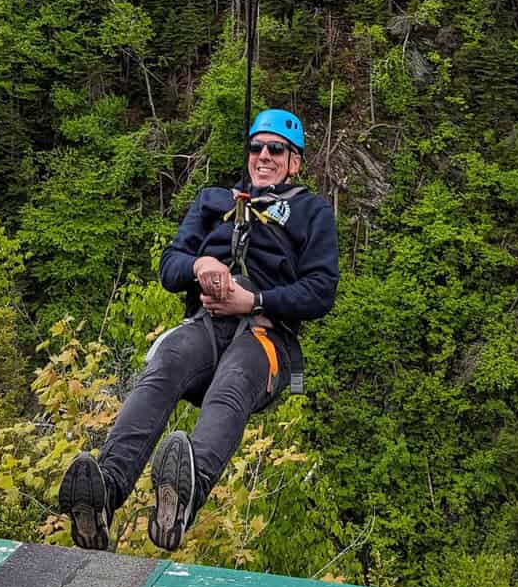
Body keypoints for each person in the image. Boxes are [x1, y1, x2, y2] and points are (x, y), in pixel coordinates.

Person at [57, 109, 339, 552]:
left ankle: (183, 500)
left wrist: (255, 300)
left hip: (265, 335)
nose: (263, 156)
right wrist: (200, 265)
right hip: (206, 327)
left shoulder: (311, 212)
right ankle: (104, 495)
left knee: (234, 383)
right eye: (256, 148)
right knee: (165, 366)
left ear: (295, 161)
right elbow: (169, 267)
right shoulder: (214, 201)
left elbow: (321, 291)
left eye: (276, 149)